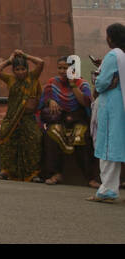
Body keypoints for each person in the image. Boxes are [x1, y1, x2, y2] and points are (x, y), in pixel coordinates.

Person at [39, 55, 97, 187]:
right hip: (59, 120)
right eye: (60, 68)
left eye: (65, 68)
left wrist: (72, 84)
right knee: (51, 134)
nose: (62, 71)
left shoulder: (82, 84)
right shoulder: (53, 83)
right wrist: (51, 101)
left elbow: (85, 102)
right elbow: (44, 100)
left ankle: (90, 177)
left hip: (78, 120)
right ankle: (55, 173)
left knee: (81, 137)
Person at [0, 49, 44, 181]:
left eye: (23, 69)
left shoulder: (32, 77)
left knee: (34, 141)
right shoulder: (10, 79)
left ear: (27, 69)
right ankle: (6, 171)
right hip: (11, 118)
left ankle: (33, 173)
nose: (20, 72)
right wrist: (9, 61)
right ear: (13, 70)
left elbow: (41, 62)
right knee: (7, 142)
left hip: (28, 118)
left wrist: (26, 55)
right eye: (17, 69)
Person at [89, 23, 125, 203]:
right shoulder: (123, 55)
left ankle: (107, 190)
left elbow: (102, 83)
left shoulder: (113, 55)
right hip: (120, 103)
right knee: (117, 144)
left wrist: (99, 77)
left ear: (110, 38)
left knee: (108, 146)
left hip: (111, 103)